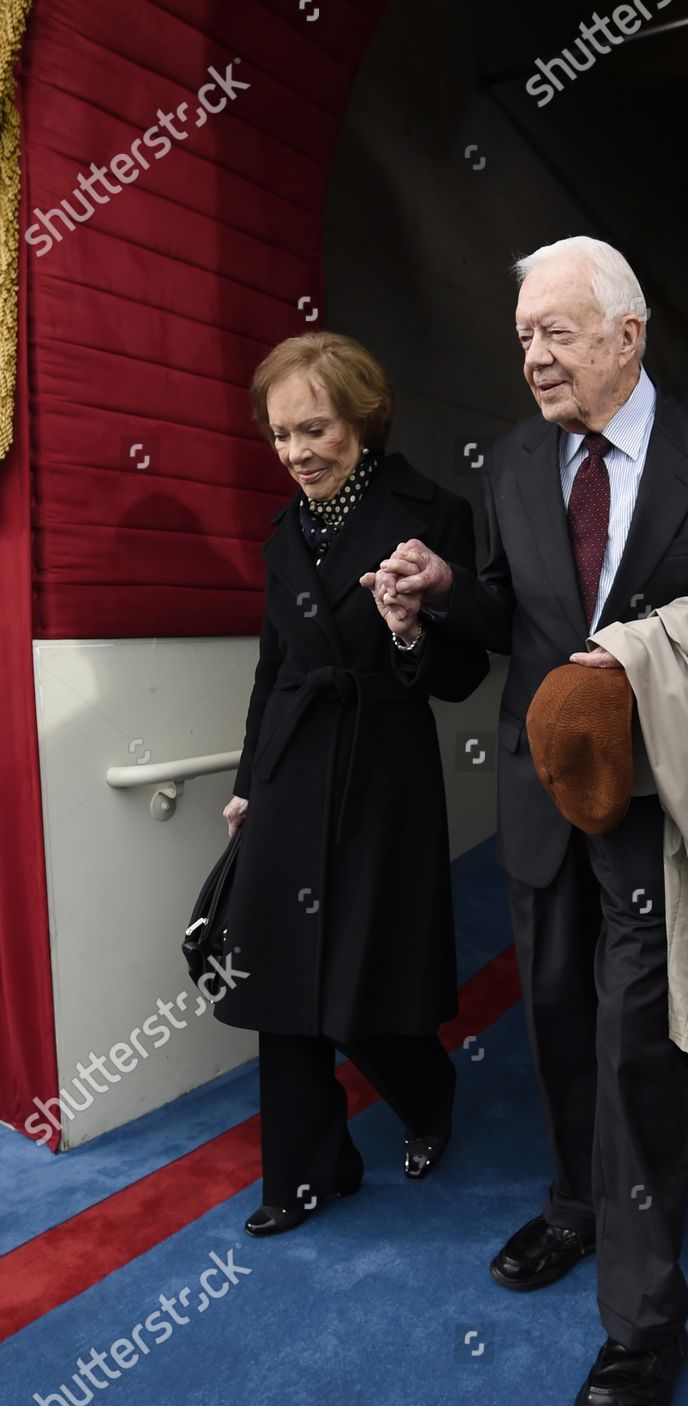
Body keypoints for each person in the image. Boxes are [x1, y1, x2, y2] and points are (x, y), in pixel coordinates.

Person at [361, 237, 688, 1406]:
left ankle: (643, 1322)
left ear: (628, 335)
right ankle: (573, 1200)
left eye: (557, 334)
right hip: (541, 801)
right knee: (556, 1022)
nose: (535, 359)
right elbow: (515, 617)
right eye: (522, 340)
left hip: (668, 806)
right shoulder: (513, 463)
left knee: (638, 1051)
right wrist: (443, 597)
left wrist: (655, 662)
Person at [217, 331, 488, 1237]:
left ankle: (429, 1096)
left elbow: (460, 676)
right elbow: (272, 670)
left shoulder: (434, 511)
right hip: (294, 767)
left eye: (314, 429)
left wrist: (411, 627)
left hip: (384, 768)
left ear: (363, 419)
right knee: (286, 983)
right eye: (280, 435)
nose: (296, 454)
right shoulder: (284, 533)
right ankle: (303, 1171)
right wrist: (250, 781)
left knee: (373, 976)